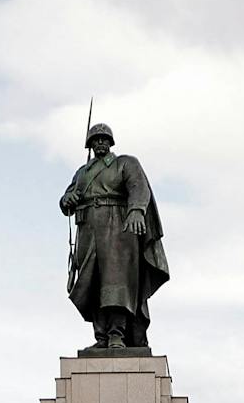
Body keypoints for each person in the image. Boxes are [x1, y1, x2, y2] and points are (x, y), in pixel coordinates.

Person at [57, 122, 169, 353]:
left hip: (117, 226)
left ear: (110, 142)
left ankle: (116, 334)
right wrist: (66, 200)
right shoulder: (82, 173)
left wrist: (136, 210)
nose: (100, 143)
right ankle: (101, 336)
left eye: (104, 139)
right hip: (87, 228)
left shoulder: (125, 163)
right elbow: (67, 197)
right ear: (89, 144)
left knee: (116, 282)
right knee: (92, 282)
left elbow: (139, 187)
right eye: (95, 140)